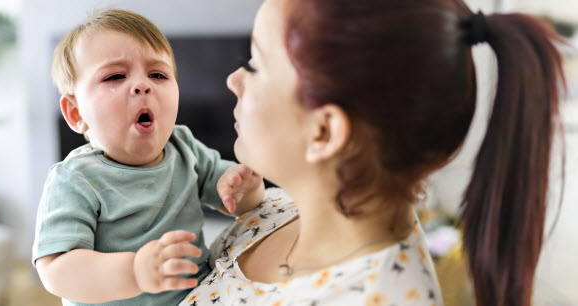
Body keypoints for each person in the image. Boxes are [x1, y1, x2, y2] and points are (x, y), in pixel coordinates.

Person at [181, 0, 565, 305]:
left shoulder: (376, 297)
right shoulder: (274, 211)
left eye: (254, 64)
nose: (233, 80)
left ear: (324, 131)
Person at [31, 9, 265, 306]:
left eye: (158, 74)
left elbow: (235, 201)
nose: (143, 85)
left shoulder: (184, 146)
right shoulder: (76, 179)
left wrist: (247, 189)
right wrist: (134, 272)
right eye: (115, 76)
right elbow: (56, 271)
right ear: (76, 114)